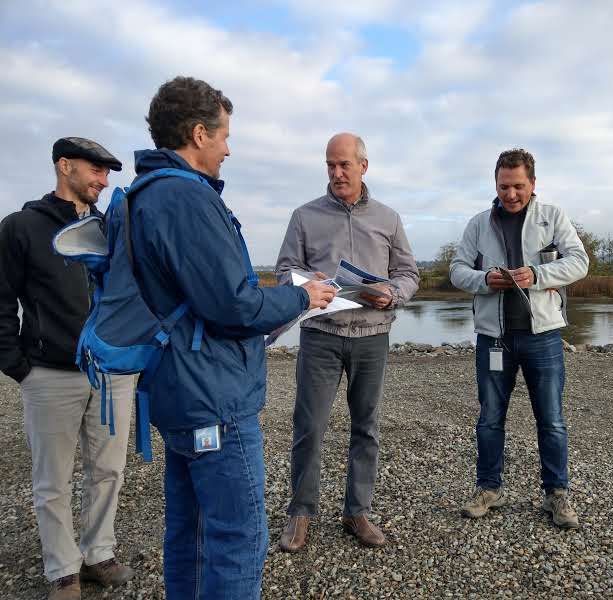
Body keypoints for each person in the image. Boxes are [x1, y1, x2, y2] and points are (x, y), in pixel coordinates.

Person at [128, 76, 336, 599]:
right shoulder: (185, 197)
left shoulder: (145, 193)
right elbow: (233, 305)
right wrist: (301, 297)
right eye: (223, 136)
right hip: (213, 396)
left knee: (191, 532)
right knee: (239, 537)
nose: (228, 148)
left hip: (176, 386)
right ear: (199, 134)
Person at [0, 137, 136, 600]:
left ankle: (99, 553)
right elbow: (1, 299)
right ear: (64, 166)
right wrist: (18, 365)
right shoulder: (20, 227)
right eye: (95, 169)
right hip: (49, 374)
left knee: (109, 470)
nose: (104, 180)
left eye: (107, 172)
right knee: (52, 481)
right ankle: (62, 569)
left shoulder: (110, 228)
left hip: (111, 373)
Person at [275, 132, 419, 551]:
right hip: (321, 335)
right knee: (309, 426)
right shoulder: (304, 216)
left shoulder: (388, 218)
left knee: (366, 427)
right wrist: (306, 281)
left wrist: (392, 294)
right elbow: (284, 271)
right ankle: (301, 512)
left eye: (344, 165)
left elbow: (409, 273)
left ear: (363, 166)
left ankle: (357, 511)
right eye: (330, 165)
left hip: (373, 337)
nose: (337, 173)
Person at [450, 148, 588, 529]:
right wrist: (484, 279)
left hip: (542, 337)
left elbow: (579, 261)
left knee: (552, 419)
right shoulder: (478, 224)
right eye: (503, 186)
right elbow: (457, 270)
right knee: (490, 419)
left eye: (518, 186)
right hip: (493, 339)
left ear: (533, 183)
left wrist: (537, 275)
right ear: (495, 184)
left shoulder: (552, 217)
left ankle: (556, 493)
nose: (511, 194)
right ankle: (488, 489)